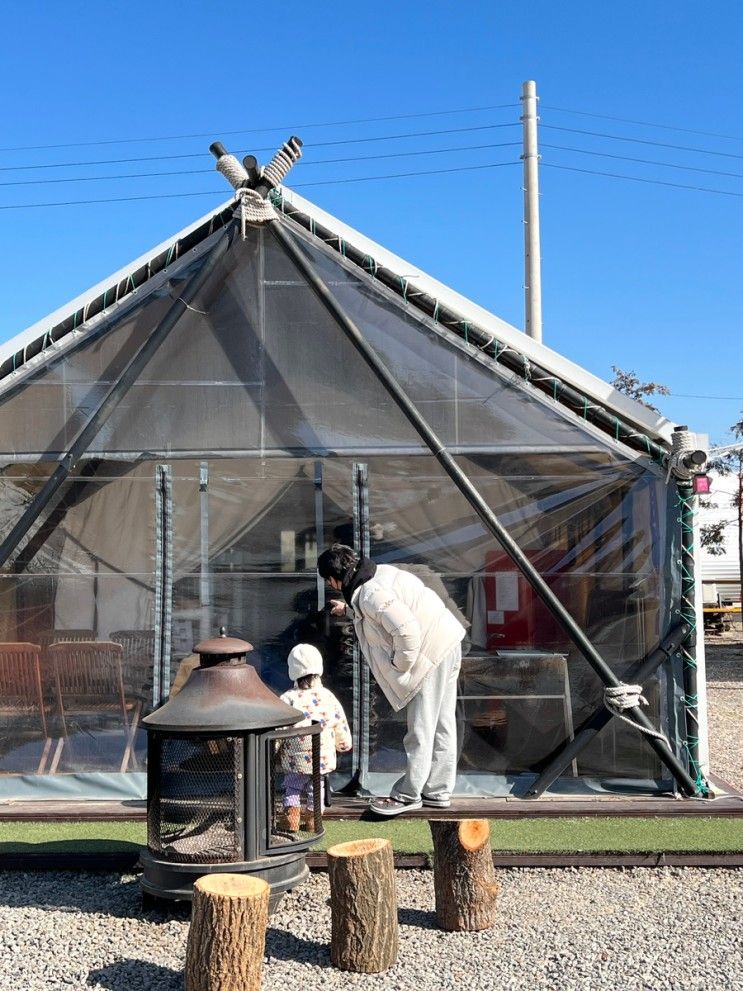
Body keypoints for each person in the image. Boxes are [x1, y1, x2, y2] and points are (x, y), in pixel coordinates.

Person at [317, 543, 466, 816]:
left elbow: (406, 631)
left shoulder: (369, 594)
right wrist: (349, 609)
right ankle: (438, 790)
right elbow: (382, 613)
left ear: (333, 579)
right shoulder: (379, 575)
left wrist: (401, 665)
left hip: (428, 653)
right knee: (442, 723)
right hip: (447, 641)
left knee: (421, 726)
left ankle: (409, 794)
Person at [278, 643, 352, 832]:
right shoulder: (328, 696)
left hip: (295, 760)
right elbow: (339, 721)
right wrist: (343, 743)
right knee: (317, 787)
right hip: (322, 758)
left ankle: (290, 819)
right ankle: (313, 820)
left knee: (293, 786)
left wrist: (273, 749)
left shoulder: (288, 699)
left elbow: (278, 729)